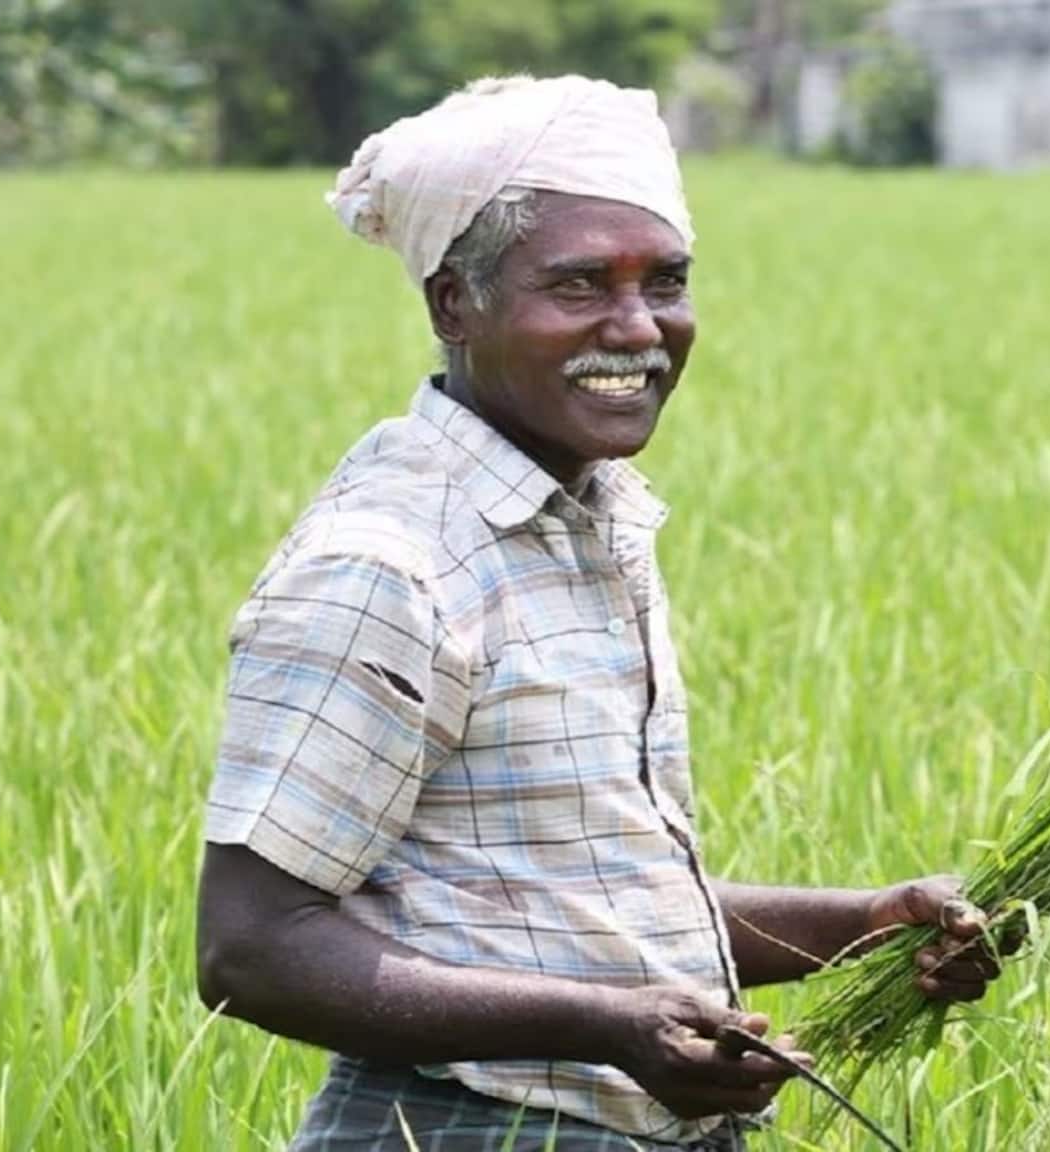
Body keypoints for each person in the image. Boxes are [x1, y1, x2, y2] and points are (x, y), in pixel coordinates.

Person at [193, 74, 1001, 1151]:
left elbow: (585, 908)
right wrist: (605, 1029)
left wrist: (861, 927)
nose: (638, 328)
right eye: (577, 287)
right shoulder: (388, 564)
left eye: (663, 282)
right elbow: (252, 950)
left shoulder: (584, 523)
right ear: (453, 305)